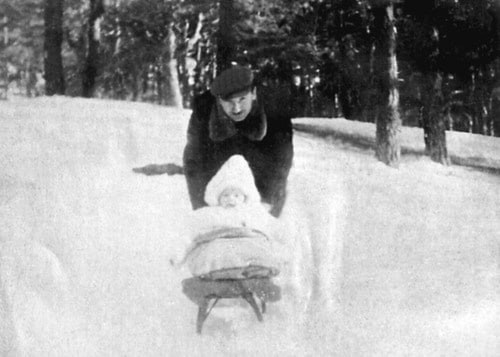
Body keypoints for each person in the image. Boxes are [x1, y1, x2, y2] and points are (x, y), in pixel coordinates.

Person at [182, 65, 294, 218]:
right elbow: (193, 160)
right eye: (229, 102)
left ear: (253, 94)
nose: (236, 109)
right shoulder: (204, 110)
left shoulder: (275, 108)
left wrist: (268, 204)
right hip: (219, 154)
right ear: (218, 100)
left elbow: (281, 160)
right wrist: (202, 207)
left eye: (242, 99)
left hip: (261, 155)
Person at [182, 155, 283, 279]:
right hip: (220, 246)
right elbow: (191, 231)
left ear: (245, 197)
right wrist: (178, 255)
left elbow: (273, 226)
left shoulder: (252, 211)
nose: (231, 199)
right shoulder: (211, 212)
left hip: (248, 242)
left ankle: (255, 269)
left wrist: (284, 245)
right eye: (225, 195)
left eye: (236, 195)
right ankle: (219, 271)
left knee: (259, 249)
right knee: (212, 251)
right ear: (218, 197)